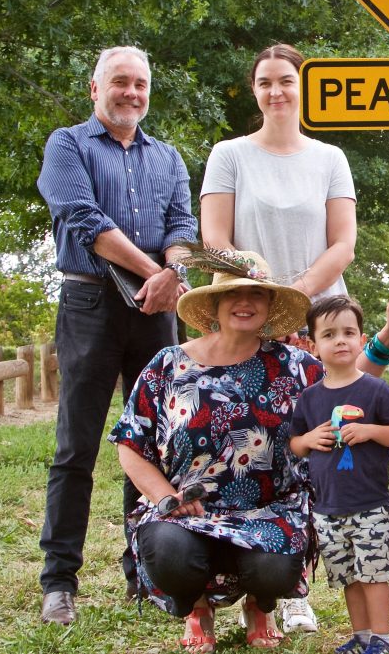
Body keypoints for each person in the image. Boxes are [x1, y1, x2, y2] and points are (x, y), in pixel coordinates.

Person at [36, 45, 198, 625]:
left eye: (141, 84)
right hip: (90, 301)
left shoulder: (169, 156)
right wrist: (156, 272)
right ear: (95, 89)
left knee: (152, 444)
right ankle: (60, 581)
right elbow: (84, 219)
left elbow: (183, 225)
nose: (132, 93)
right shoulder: (68, 145)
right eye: (120, 83)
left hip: (158, 309)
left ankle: (144, 572)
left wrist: (175, 272)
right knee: (77, 444)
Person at [200, 42, 356, 632]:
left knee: (310, 448)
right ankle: (228, 578)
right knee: (247, 447)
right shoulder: (230, 154)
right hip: (244, 315)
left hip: (316, 320)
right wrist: (258, 282)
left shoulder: (330, 157)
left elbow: (342, 243)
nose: (276, 92)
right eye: (265, 82)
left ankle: (291, 587)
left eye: (286, 81)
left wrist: (297, 304)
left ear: (303, 86)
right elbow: (214, 238)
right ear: (255, 90)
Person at [109, 249, 320, 652]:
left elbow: (348, 386)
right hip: (187, 512)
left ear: (271, 305)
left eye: (257, 295)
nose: (245, 303)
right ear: (216, 305)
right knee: (169, 553)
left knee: (275, 568)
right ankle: (197, 608)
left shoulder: (298, 366)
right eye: (234, 295)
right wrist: (164, 498)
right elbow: (130, 444)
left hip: (269, 511)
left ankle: (261, 605)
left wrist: (384, 341)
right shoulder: (167, 365)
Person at [290, 295, 389, 654]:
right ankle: (360, 636)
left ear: (362, 338)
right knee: (348, 578)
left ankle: (382, 639)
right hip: (327, 507)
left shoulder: (374, 388)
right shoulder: (309, 398)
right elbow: (295, 443)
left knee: (373, 574)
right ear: (313, 345)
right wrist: (309, 439)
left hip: (370, 504)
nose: (340, 340)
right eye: (329, 334)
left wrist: (371, 431)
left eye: (348, 332)